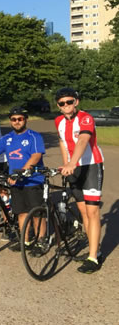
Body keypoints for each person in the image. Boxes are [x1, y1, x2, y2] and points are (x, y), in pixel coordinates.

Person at [0, 107, 45, 250]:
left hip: (33, 180)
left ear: (25, 119)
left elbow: (36, 156)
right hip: (16, 181)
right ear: (10, 121)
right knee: (21, 212)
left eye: (20, 119)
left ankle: (41, 241)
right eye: (14, 119)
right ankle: (25, 241)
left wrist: (21, 172)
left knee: (37, 213)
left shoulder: (34, 136)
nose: (17, 122)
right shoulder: (6, 139)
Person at [54, 87, 105, 273]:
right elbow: (62, 141)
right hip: (73, 168)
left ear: (76, 102)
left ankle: (94, 258)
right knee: (83, 212)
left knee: (92, 213)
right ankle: (95, 249)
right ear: (58, 106)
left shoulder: (85, 118)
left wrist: (72, 163)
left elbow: (83, 140)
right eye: (62, 103)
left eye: (69, 101)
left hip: (91, 166)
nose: (66, 105)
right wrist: (66, 163)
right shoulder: (58, 120)